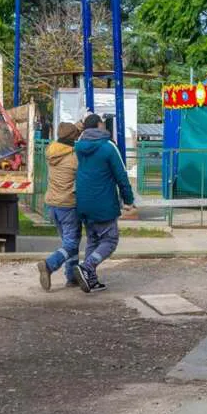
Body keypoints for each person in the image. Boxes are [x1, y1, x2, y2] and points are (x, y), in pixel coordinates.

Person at [74, 113, 135, 293]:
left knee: (93, 240)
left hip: (83, 201)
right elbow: (121, 175)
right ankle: (87, 267)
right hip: (103, 202)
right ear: (99, 125)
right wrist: (128, 200)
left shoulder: (79, 147)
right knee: (110, 240)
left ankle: (91, 280)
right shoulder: (108, 147)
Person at [37, 120, 84, 291]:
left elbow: (69, 135)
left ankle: (71, 278)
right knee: (71, 244)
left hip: (52, 204)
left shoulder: (52, 150)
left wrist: (79, 127)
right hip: (68, 204)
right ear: (73, 138)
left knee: (67, 242)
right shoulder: (74, 157)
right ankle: (49, 265)